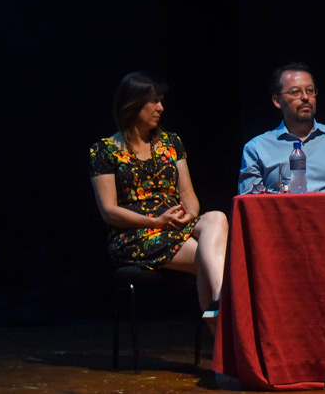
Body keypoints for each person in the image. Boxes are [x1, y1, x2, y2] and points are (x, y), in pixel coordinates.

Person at [90, 72, 229, 323]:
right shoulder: (105, 150)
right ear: (133, 104)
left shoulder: (171, 142)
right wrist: (155, 222)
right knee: (211, 258)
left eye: (161, 101)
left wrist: (189, 214)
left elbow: (188, 195)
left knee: (217, 218)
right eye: (154, 102)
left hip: (175, 226)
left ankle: (219, 297)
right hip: (135, 234)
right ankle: (218, 332)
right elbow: (109, 211)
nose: (161, 108)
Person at [238, 63, 325, 194]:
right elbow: (249, 204)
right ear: (277, 100)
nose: (305, 97)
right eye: (295, 92)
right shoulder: (257, 148)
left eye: (310, 91)